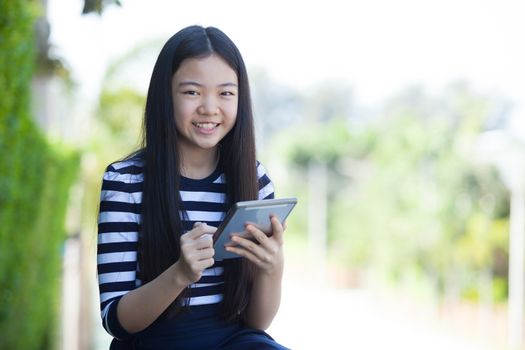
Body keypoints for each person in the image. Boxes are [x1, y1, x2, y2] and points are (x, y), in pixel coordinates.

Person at [96, 25, 289, 349]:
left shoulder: (255, 182)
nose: (210, 108)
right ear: (165, 96)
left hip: (231, 339)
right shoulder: (125, 182)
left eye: (226, 93)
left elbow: (257, 324)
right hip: (152, 340)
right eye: (192, 92)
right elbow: (115, 319)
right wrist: (180, 274)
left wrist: (273, 268)